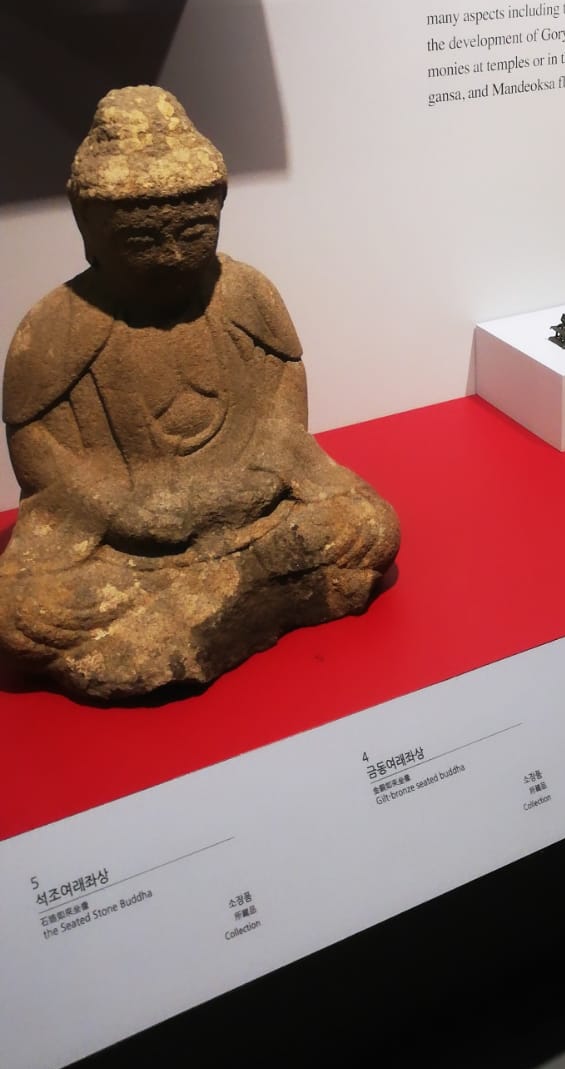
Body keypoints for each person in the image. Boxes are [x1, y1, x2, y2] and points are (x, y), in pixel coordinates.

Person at [0, 87, 400, 700]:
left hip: (254, 508)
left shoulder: (245, 293)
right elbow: (37, 445)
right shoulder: (58, 324)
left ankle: (221, 592)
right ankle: (223, 591)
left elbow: (283, 398)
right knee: (23, 613)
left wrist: (271, 464)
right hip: (125, 543)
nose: (171, 255)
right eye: (141, 242)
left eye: (193, 232)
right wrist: (114, 509)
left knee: (368, 526)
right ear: (90, 231)